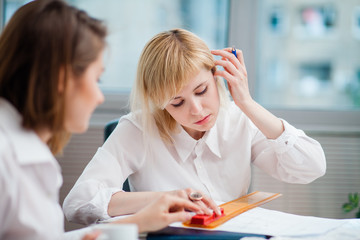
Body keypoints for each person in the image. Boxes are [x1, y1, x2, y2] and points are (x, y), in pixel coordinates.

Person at [63, 28, 327, 225]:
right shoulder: (138, 129)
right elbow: (77, 203)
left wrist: (247, 103)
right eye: (176, 102)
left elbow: (311, 168)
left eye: (202, 91)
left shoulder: (238, 119)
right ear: (159, 103)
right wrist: (164, 199)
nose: (196, 110)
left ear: (217, 76)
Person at [0, 1, 203, 239]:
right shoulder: (6, 158)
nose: (99, 98)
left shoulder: (27, 152)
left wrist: (138, 222)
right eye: (97, 80)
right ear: (62, 79)